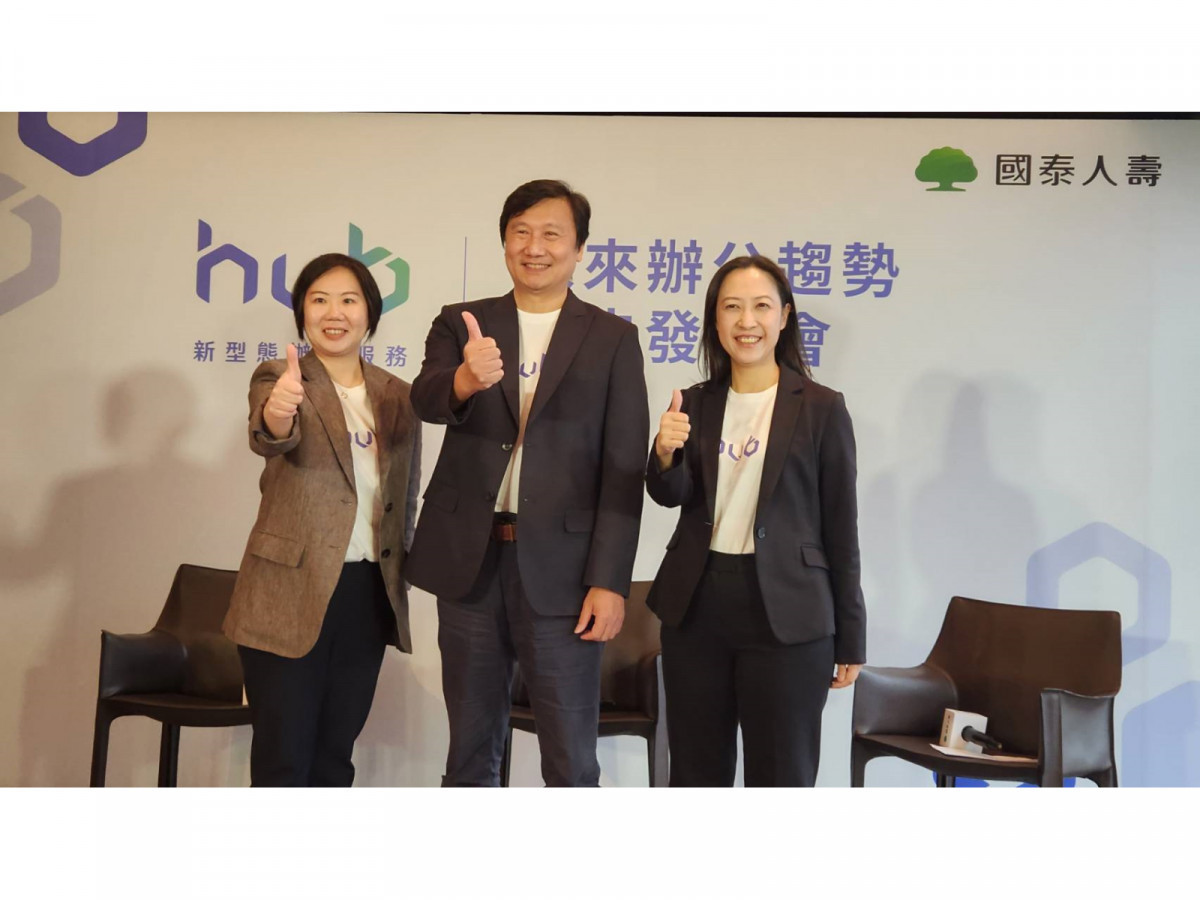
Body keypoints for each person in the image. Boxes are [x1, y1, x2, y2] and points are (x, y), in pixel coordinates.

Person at [406, 179, 649, 787]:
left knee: (570, 758)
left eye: (550, 234)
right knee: (470, 750)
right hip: (471, 563)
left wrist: (609, 580)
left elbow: (623, 467)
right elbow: (426, 398)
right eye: (520, 233)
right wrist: (464, 380)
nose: (534, 247)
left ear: (579, 248)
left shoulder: (612, 338)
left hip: (566, 573)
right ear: (504, 242)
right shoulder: (463, 322)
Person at [645, 254, 866, 787]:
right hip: (698, 606)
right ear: (715, 320)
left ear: (784, 316)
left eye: (761, 306)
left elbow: (842, 528)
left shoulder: (821, 407)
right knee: (696, 773)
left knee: (783, 774)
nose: (747, 322)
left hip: (789, 612)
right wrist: (665, 454)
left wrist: (851, 637)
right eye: (732, 308)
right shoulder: (693, 402)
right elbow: (671, 495)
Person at [223, 253, 421, 787]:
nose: (335, 313)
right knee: (283, 758)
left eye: (349, 300)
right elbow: (270, 433)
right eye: (319, 300)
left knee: (336, 756)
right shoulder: (280, 376)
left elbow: (404, 497)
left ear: (370, 313)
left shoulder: (399, 394)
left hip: (367, 593)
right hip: (287, 593)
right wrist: (279, 409)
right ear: (302, 313)